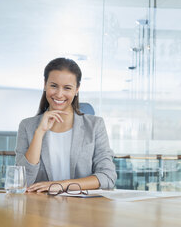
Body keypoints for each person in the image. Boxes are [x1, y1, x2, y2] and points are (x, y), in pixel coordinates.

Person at [15, 58, 116, 192]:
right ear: (45, 85)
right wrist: (39, 133)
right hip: (39, 208)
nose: (59, 94)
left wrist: (62, 185)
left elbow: (107, 177)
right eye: (54, 86)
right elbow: (22, 181)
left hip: (83, 208)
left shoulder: (95, 125)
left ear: (76, 90)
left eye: (67, 88)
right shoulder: (27, 126)